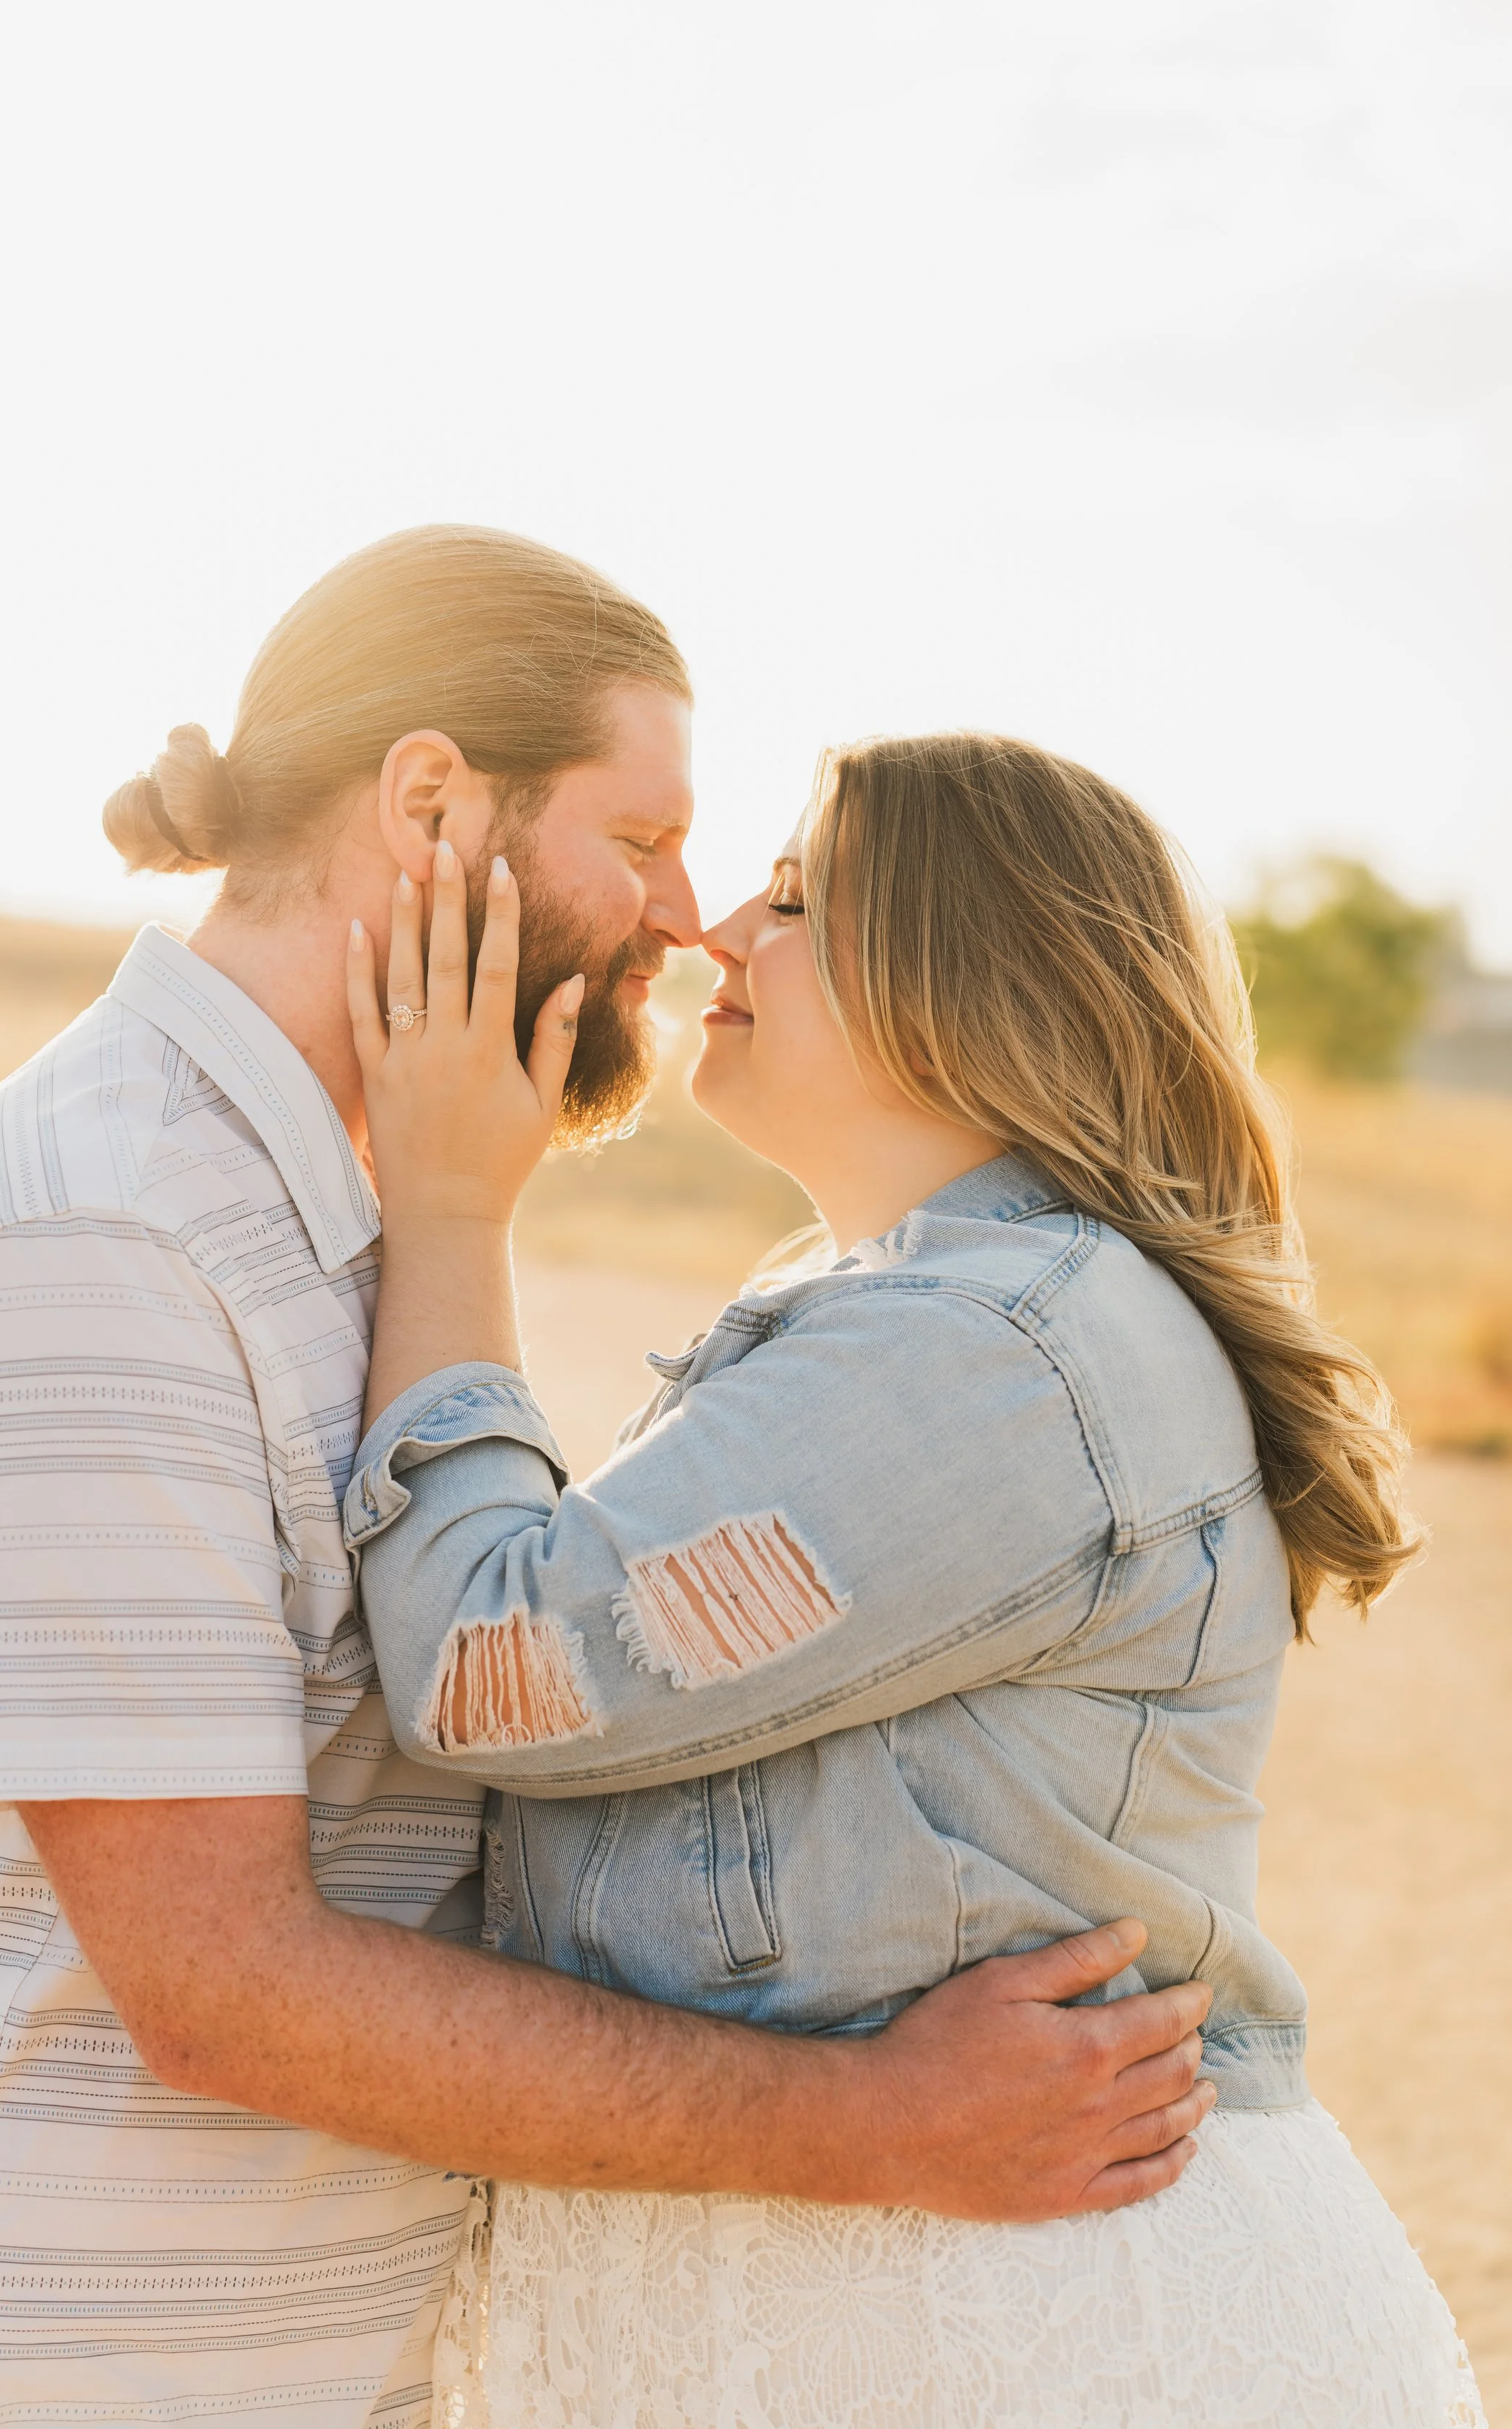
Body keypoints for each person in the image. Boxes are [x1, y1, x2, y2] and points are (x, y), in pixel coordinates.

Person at [0, 535, 1212, 2429]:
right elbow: (222, 1988)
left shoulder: (341, 1215)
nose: (684, 921)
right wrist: (874, 2123)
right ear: (428, 802)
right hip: (45, 2372)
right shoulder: (103, 1235)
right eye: (643, 838)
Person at [342, 730, 1486, 2428]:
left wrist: (443, 1207)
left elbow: (494, 1662)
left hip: (1027, 2340)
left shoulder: (993, 1355)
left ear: (971, 970)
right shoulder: (922, 1314)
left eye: (795, 892)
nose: (719, 927)